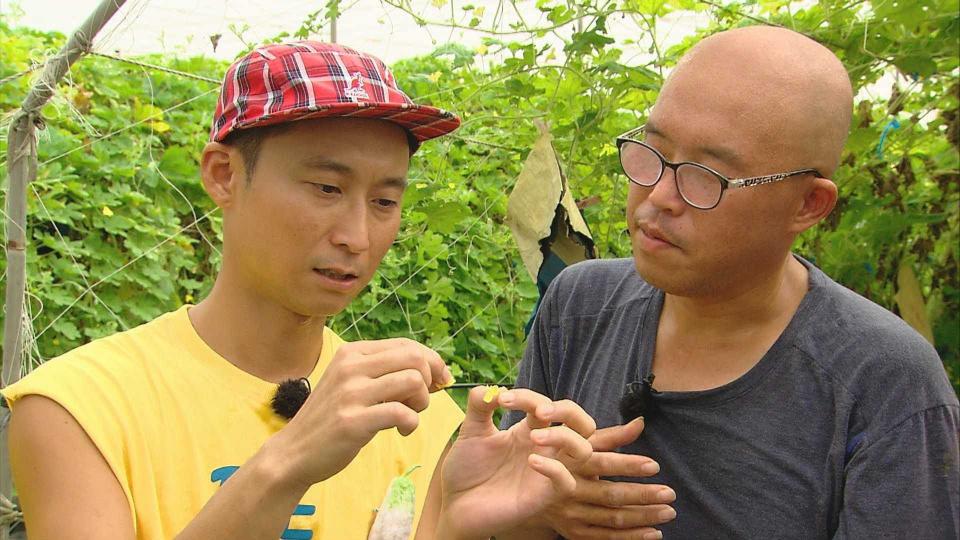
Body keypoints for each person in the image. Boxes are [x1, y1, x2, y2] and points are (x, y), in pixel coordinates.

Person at [1, 41, 599, 539]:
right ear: (224, 175)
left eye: (385, 201)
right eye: (324, 188)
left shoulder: (416, 419)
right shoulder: (79, 409)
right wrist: (287, 463)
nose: (357, 236)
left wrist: (453, 527)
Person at [501, 25, 960, 539]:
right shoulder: (580, 306)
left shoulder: (883, 385)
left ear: (808, 205)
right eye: (652, 152)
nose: (657, 197)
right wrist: (541, 508)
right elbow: (506, 515)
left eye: (706, 176)